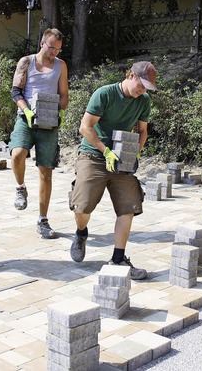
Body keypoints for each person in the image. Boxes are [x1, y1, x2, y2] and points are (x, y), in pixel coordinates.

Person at [68, 61, 158, 281]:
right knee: (82, 207)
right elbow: (85, 127)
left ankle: (118, 258)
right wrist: (105, 151)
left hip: (122, 158)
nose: (143, 90)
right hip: (93, 155)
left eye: (147, 87)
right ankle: (81, 233)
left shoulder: (143, 101)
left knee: (128, 207)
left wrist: (135, 151)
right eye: (141, 84)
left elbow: (143, 131)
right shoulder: (104, 94)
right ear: (130, 75)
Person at [8, 28, 69, 239]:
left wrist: (59, 113)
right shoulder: (26, 62)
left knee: (46, 171)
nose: (54, 52)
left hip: (49, 122)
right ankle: (20, 187)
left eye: (58, 49)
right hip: (26, 119)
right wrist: (26, 111)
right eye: (51, 47)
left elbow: (63, 95)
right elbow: (15, 91)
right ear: (42, 42)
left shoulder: (61, 66)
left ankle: (43, 220)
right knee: (17, 154)